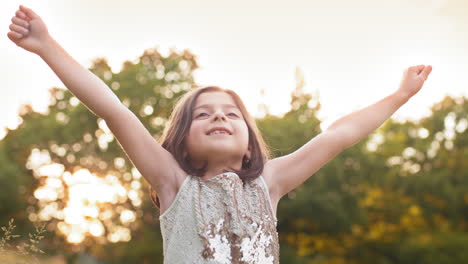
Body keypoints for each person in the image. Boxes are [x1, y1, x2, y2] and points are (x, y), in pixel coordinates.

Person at [7, 5, 432, 264]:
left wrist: (399, 96)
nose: (219, 118)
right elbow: (113, 109)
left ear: (250, 142)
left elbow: (338, 135)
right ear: (180, 140)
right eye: (203, 114)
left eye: (232, 113)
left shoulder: (271, 184)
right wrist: (47, 46)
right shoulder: (174, 183)